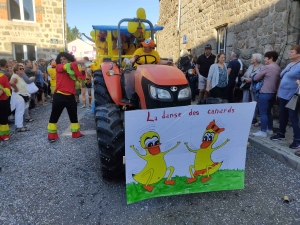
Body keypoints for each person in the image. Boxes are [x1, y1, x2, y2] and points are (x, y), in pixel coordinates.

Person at [47, 52, 85, 142]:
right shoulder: (59, 67)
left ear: (68, 58)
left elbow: (81, 79)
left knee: (73, 116)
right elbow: (67, 66)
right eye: (61, 59)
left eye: (64, 59)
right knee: (54, 116)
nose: (62, 61)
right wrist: (77, 62)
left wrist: (83, 71)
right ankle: (52, 135)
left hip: (71, 96)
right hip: (59, 96)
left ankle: (76, 133)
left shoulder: (73, 68)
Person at [121, 38, 170, 103]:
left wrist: (168, 62)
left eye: (146, 47)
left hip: (152, 70)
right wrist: (132, 60)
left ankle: (162, 94)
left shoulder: (155, 53)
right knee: (128, 75)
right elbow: (134, 57)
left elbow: (159, 61)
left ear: (151, 48)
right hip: (138, 70)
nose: (144, 47)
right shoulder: (139, 51)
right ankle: (130, 96)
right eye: (143, 46)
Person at [270, 45, 300, 150]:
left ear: (298, 54)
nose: (290, 53)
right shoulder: (290, 64)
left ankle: (297, 140)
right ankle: (281, 134)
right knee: (282, 115)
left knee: (293, 117)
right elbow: (283, 77)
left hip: (293, 96)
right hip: (283, 94)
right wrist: (278, 91)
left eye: (292, 52)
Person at [252, 51, 280, 138]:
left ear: (271, 58)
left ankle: (263, 131)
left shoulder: (267, 67)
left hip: (264, 92)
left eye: (266, 58)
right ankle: (270, 129)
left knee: (263, 112)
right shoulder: (278, 68)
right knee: (269, 112)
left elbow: (256, 78)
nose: (264, 60)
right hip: (273, 93)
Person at [240, 53, 264, 124]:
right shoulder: (250, 67)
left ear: (256, 59)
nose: (251, 59)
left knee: (254, 102)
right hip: (246, 86)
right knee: (245, 101)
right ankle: (245, 116)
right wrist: (245, 79)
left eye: (252, 58)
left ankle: (253, 118)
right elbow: (243, 76)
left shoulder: (262, 67)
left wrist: (252, 80)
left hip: (255, 87)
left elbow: (262, 78)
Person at [9, 63, 31, 132]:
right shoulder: (15, 76)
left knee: (19, 111)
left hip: (21, 96)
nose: (22, 69)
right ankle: (20, 126)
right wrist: (15, 89)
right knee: (20, 112)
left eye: (23, 68)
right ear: (16, 70)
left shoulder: (19, 76)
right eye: (20, 68)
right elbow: (11, 83)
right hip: (19, 96)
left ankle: (19, 125)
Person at [0, 69, 11, 141]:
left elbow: (5, 89)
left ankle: (4, 134)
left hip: (2, 100)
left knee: (3, 118)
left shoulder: (2, 76)